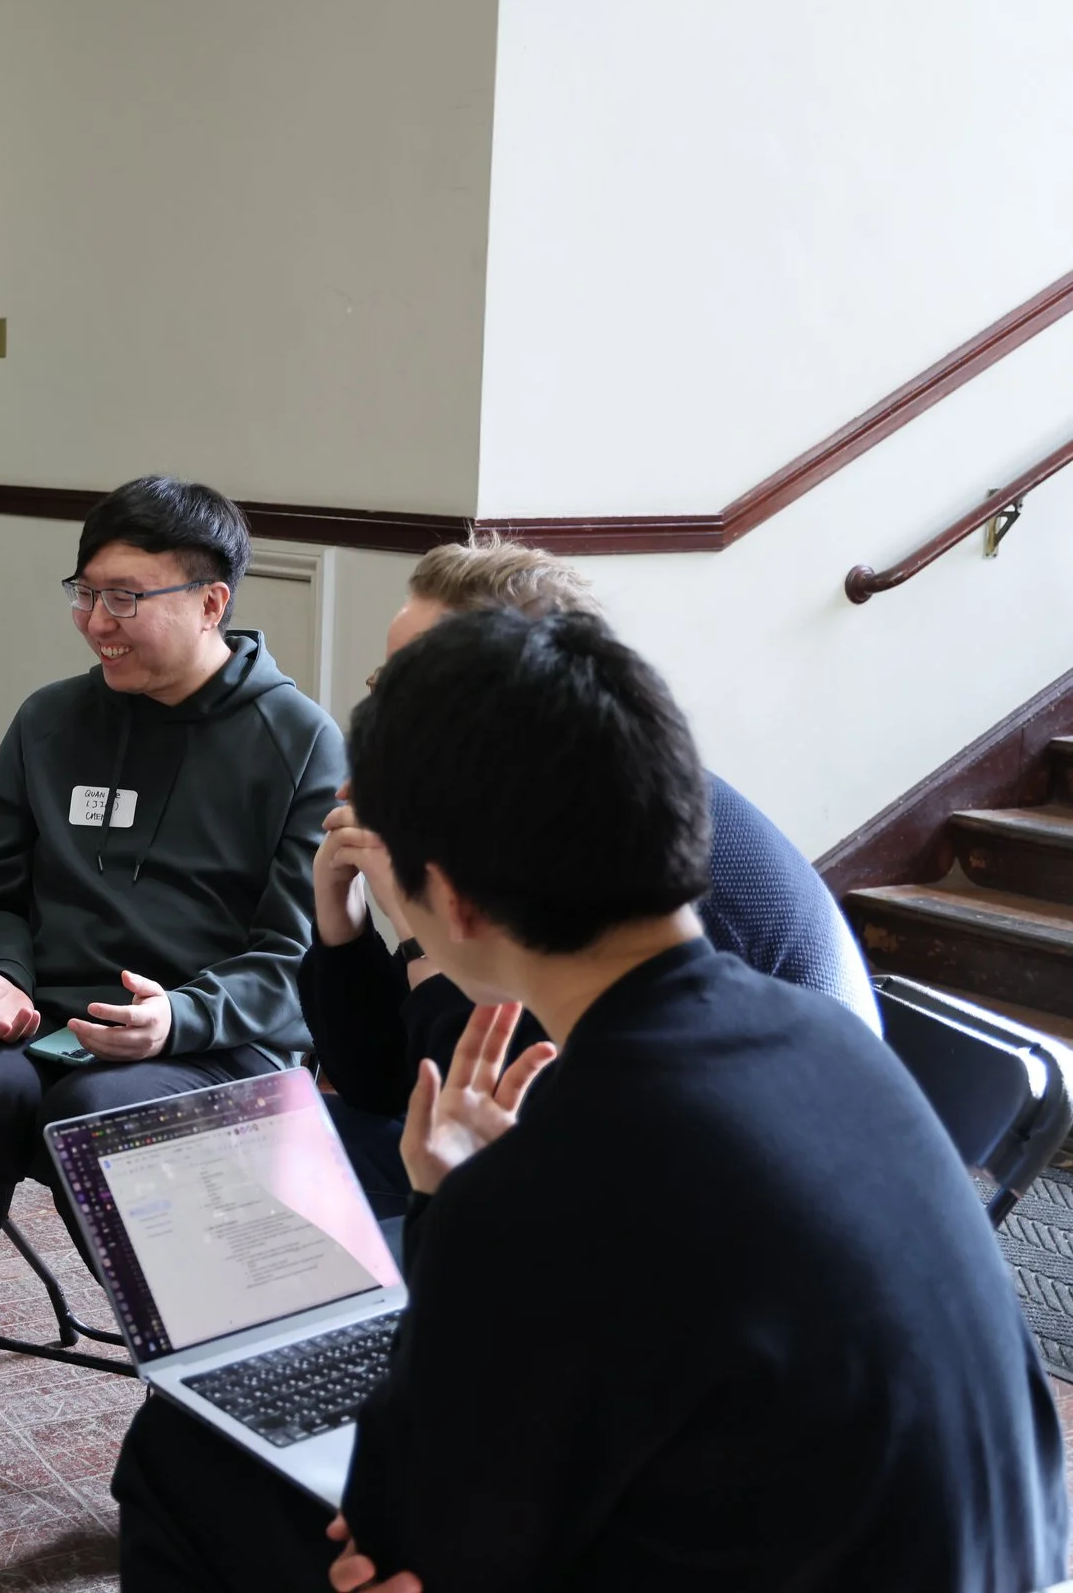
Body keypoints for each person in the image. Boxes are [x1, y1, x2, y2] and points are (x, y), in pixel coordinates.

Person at [112, 610, 1067, 1593]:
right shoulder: (833, 1038)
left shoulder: (556, 1173)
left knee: (178, 1457)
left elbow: (406, 1540)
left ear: (454, 896)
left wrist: (450, 1206)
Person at [0, 475, 345, 1476]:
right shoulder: (50, 720)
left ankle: (187, 1395)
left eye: (126, 597)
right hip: (44, 1020)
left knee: (102, 1110)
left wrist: (180, 1017)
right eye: (86, 592)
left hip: (206, 1039)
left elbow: (297, 957)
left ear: (212, 600)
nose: (96, 621)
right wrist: (0, 978)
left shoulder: (298, 739)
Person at [305, 538, 880, 1216]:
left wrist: (417, 931)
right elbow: (389, 1086)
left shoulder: (581, 859)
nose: (385, 712)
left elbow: (497, 1129)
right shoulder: (590, 798)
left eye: (408, 687)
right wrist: (341, 924)